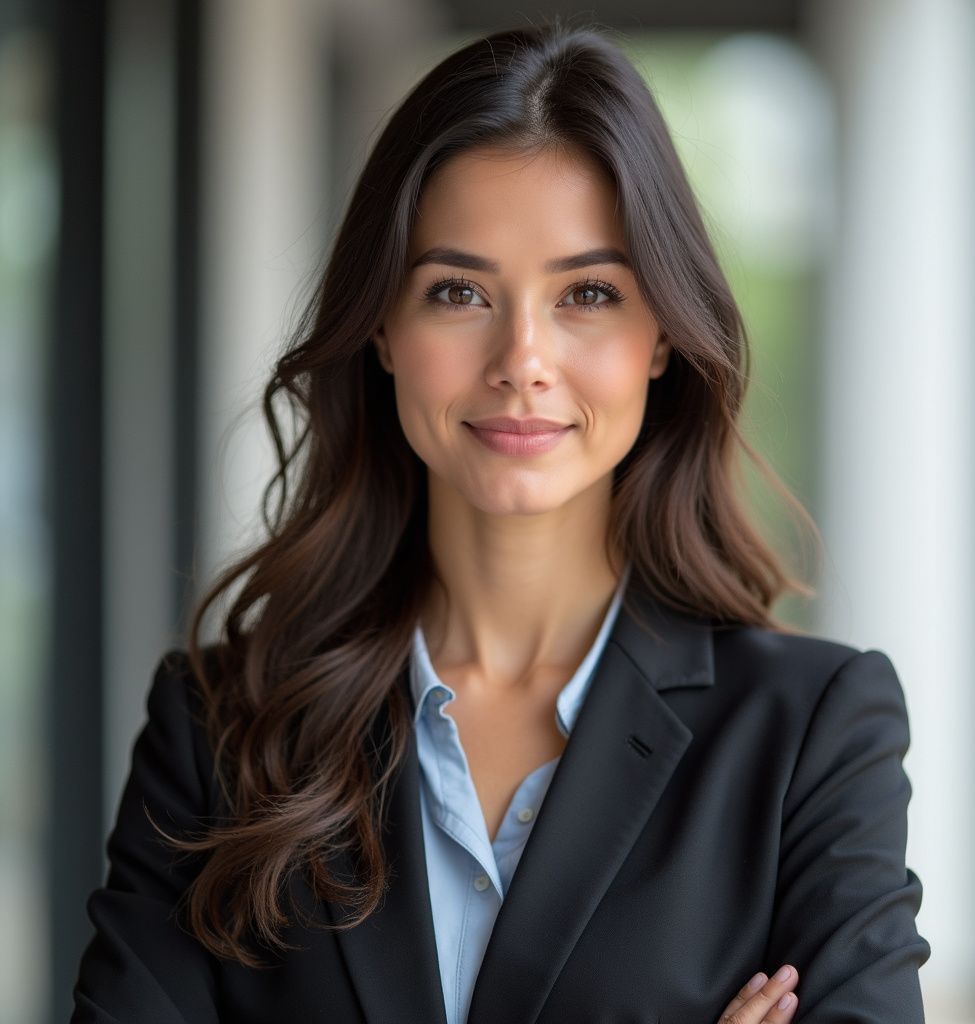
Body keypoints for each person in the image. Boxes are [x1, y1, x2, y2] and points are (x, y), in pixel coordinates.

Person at [70, 17, 931, 1024]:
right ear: (383, 328)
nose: (522, 358)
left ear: (660, 337)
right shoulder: (219, 728)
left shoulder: (810, 735)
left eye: (588, 293)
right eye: (457, 290)